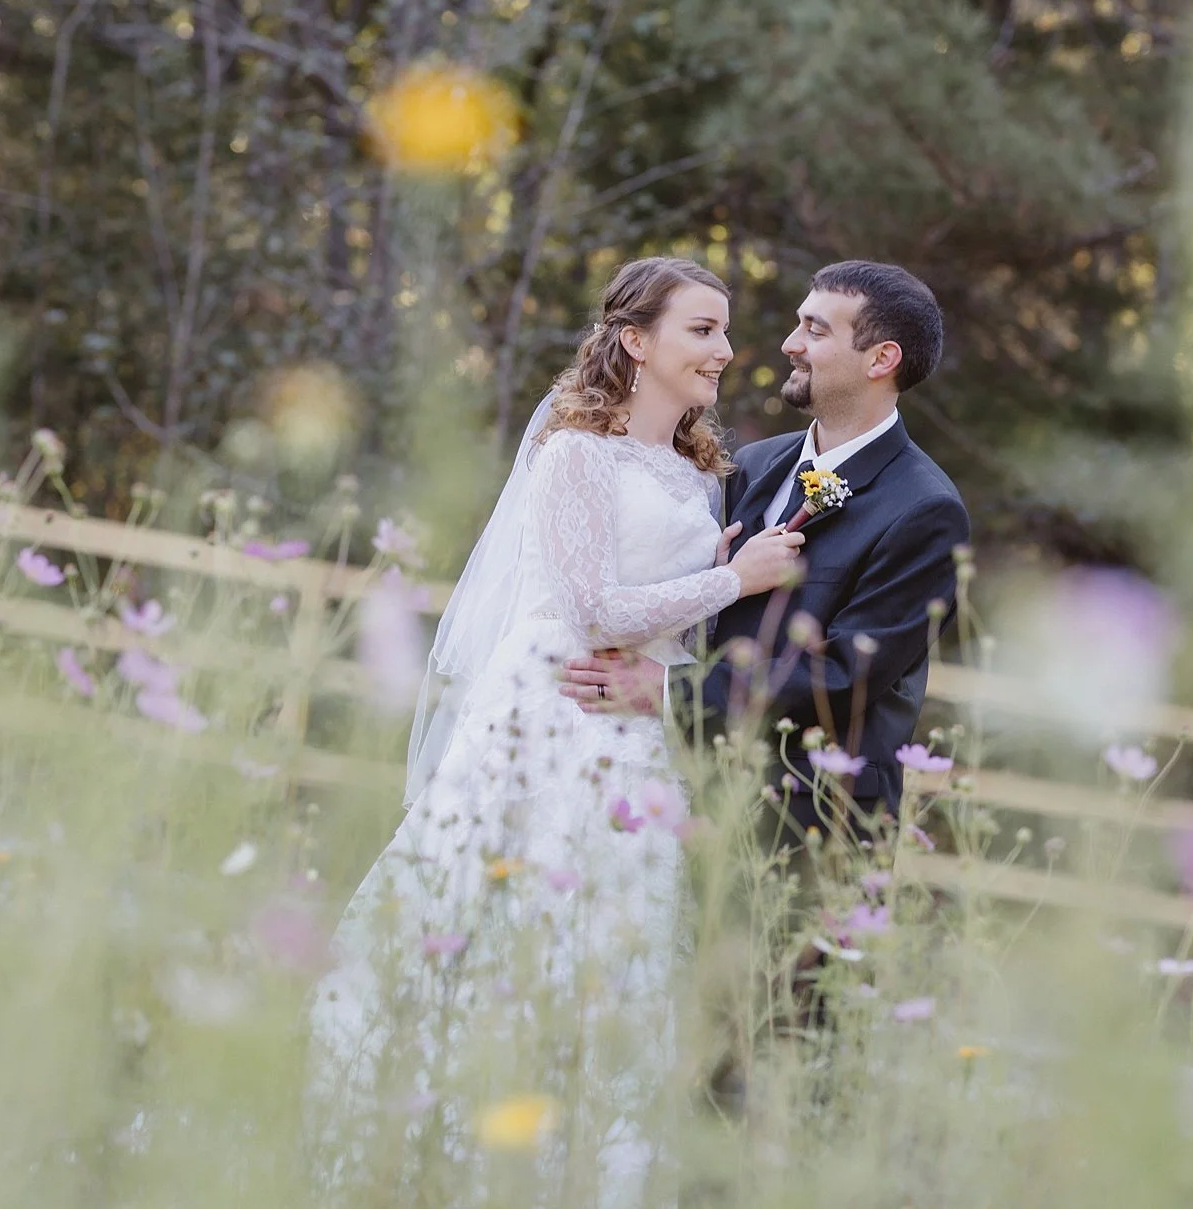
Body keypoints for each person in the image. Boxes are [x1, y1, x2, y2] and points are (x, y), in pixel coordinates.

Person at [305, 257, 800, 1207]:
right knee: (511, 932)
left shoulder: (702, 472)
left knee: (617, 956)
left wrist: (722, 577)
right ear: (635, 341)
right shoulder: (575, 453)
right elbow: (593, 606)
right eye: (702, 329)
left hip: (634, 731)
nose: (725, 350)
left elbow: (667, 615)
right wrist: (739, 579)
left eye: (725, 331)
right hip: (550, 716)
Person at [558, 259, 969, 839]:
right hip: (683, 796)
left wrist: (666, 690)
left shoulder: (924, 510)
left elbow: (844, 677)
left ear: (882, 359)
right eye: (800, 324)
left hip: (807, 822)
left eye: (816, 331)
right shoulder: (750, 466)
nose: (790, 344)